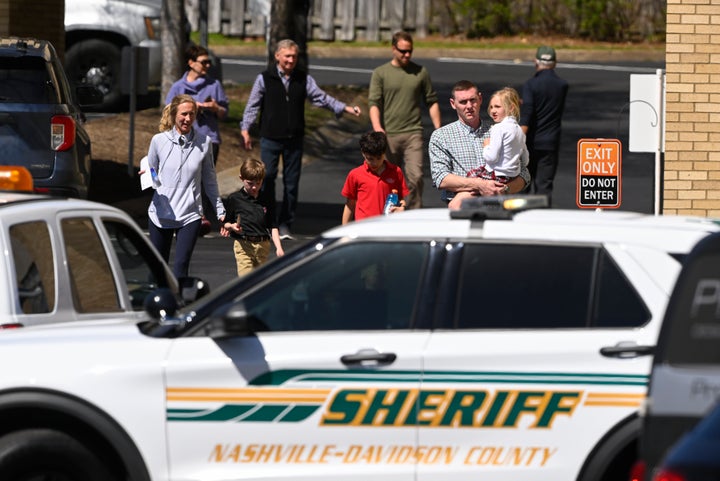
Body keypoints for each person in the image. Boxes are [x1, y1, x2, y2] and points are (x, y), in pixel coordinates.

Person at [240, 38, 361, 240]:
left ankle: (286, 223)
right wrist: (245, 128)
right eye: (287, 56)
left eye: (294, 56)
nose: (291, 60)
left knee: (292, 183)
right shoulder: (265, 78)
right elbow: (252, 105)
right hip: (270, 137)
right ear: (277, 56)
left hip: (294, 138)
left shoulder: (303, 79)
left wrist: (344, 108)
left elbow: (320, 97)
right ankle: (269, 221)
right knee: (266, 179)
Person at [144, 94, 226, 278]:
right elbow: (152, 171)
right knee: (157, 268)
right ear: (174, 114)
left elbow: (210, 179)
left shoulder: (204, 143)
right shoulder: (158, 141)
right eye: (184, 114)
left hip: (190, 213)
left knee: (181, 267)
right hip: (161, 213)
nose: (188, 119)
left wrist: (219, 210)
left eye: (192, 114)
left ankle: (179, 305)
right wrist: (150, 177)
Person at [368, 31, 442, 210]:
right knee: (388, 179)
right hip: (389, 135)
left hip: (413, 133)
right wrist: (378, 128)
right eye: (402, 51)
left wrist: (439, 129)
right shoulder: (381, 73)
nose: (407, 55)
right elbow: (374, 103)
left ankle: (412, 213)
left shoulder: (420, 72)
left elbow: (431, 101)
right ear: (393, 49)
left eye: (410, 51)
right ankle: (388, 213)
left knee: (415, 176)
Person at [429, 80, 530, 209]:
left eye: (473, 100)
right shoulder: (441, 136)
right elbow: (441, 178)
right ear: (453, 104)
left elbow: (524, 173)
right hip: (462, 209)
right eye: (463, 102)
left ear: (480, 99)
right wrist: (479, 185)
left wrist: (504, 189)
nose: (469, 106)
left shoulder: (499, 130)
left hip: (499, 205)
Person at [519, 45, 569, 206]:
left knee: (523, 184)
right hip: (550, 142)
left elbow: (528, 114)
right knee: (544, 186)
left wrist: (518, 141)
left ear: (536, 62)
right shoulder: (562, 86)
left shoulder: (531, 85)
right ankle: (543, 221)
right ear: (554, 63)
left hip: (530, 143)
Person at [165, 44, 229, 164]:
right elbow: (168, 114)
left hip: (209, 140)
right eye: (204, 62)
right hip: (183, 140)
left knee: (206, 180)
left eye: (209, 62)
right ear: (191, 63)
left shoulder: (214, 85)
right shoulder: (178, 87)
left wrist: (216, 108)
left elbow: (224, 113)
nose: (208, 65)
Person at [221, 158, 284, 276]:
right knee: (245, 278)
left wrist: (279, 248)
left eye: (258, 183)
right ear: (241, 178)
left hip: (262, 245)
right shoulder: (235, 199)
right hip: (243, 245)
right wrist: (232, 227)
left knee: (259, 280)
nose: (254, 187)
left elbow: (273, 225)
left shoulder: (266, 199)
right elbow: (226, 222)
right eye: (250, 183)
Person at [341, 131, 408, 224]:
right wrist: (344, 231)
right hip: (363, 227)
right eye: (370, 159)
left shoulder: (396, 172)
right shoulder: (355, 174)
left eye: (379, 158)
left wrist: (402, 208)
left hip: (387, 226)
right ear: (363, 153)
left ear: (384, 153)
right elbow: (350, 205)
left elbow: (401, 199)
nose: (375, 163)